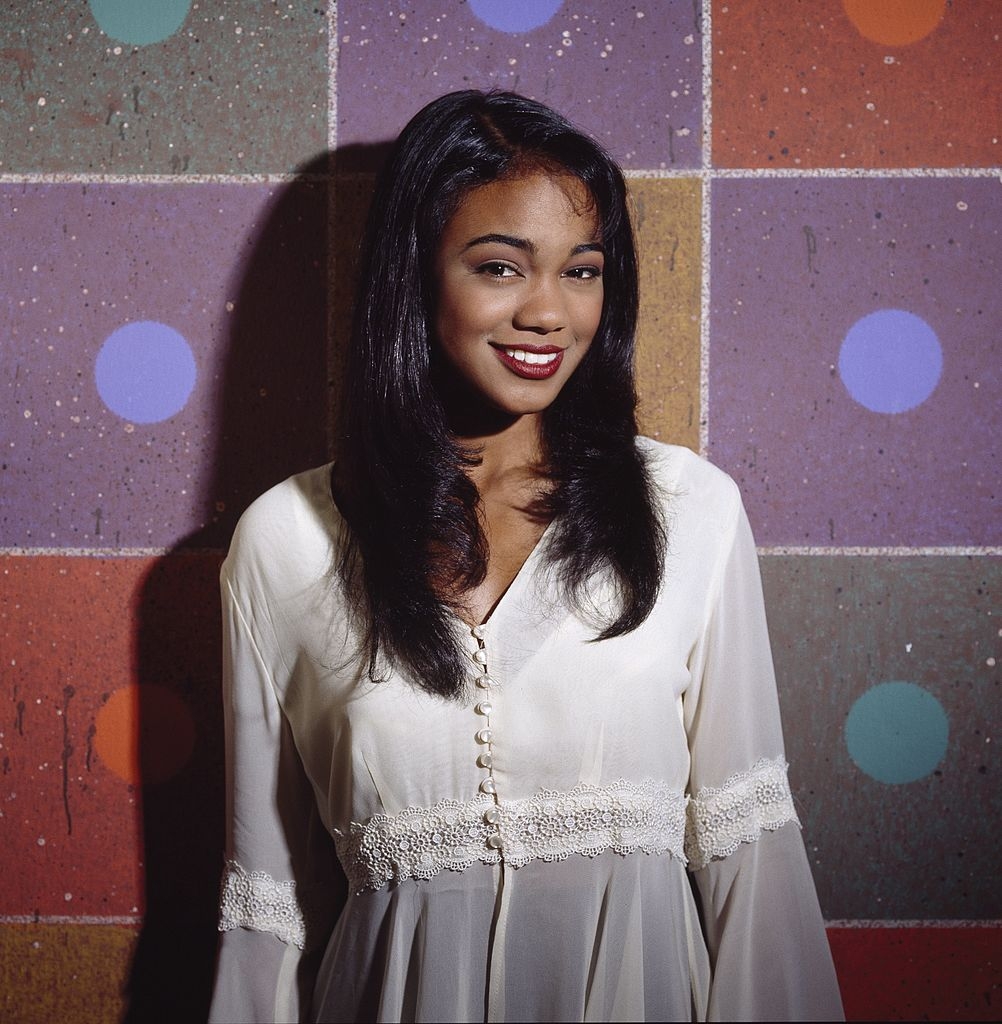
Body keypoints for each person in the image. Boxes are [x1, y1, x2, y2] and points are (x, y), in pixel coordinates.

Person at [208, 90, 844, 1023]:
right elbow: (267, 909)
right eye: (501, 267)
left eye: (581, 271)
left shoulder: (691, 511)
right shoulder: (285, 540)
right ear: (415, 276)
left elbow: (753, 857)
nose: (548, 312)